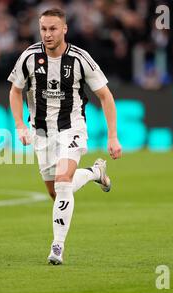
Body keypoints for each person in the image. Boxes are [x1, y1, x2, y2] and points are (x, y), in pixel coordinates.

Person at [8, 8, 122, 265]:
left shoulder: (81, 59)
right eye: (44, 29)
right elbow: (15, 91)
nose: (47, 34)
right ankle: (94, 173)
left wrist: (112, 136)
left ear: (64, 29)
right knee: (57, 193)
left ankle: (57, 247)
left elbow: (105, 96)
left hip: (72, 128)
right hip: (41, 133)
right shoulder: (29, 57)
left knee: (62, 182)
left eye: (53, 29)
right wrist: (19, 125)